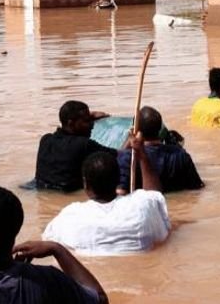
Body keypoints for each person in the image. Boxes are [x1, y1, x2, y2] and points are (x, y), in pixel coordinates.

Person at [42, 137, 170, 256]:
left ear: (85, 184)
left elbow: (48, 239)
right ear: (118, 180)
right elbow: (156, 196)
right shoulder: (141, 205)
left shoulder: (70, 215)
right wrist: (141, 154)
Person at [117, 106, 204, 194]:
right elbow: (197, 187)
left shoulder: (129, 158)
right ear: (160, 129)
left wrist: (127, 144)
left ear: (137, 130)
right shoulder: (180, 154)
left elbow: (120, 193)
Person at [34, 100, 112, 192]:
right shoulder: (83, 144)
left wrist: (89, 117)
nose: (92, 126)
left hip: (39, 189)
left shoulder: (45, 140)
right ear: (71, 123)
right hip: (68, 193)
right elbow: (119, 155)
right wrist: (129, 140)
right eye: (86, 121)